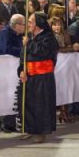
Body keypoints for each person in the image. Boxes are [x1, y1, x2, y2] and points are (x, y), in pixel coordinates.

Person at [18, 13, 59, 143]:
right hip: (29, 76)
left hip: (43, 77)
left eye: (30, 22)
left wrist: (28, 43)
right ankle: (30, 129)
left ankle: (41, 132)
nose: (28, 24)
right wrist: (21, 71)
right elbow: (22, 58)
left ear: (38, 24)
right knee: (27, 104)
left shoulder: (49, 38)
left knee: (41, 105)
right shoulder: (29, 37)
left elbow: (43, 53)